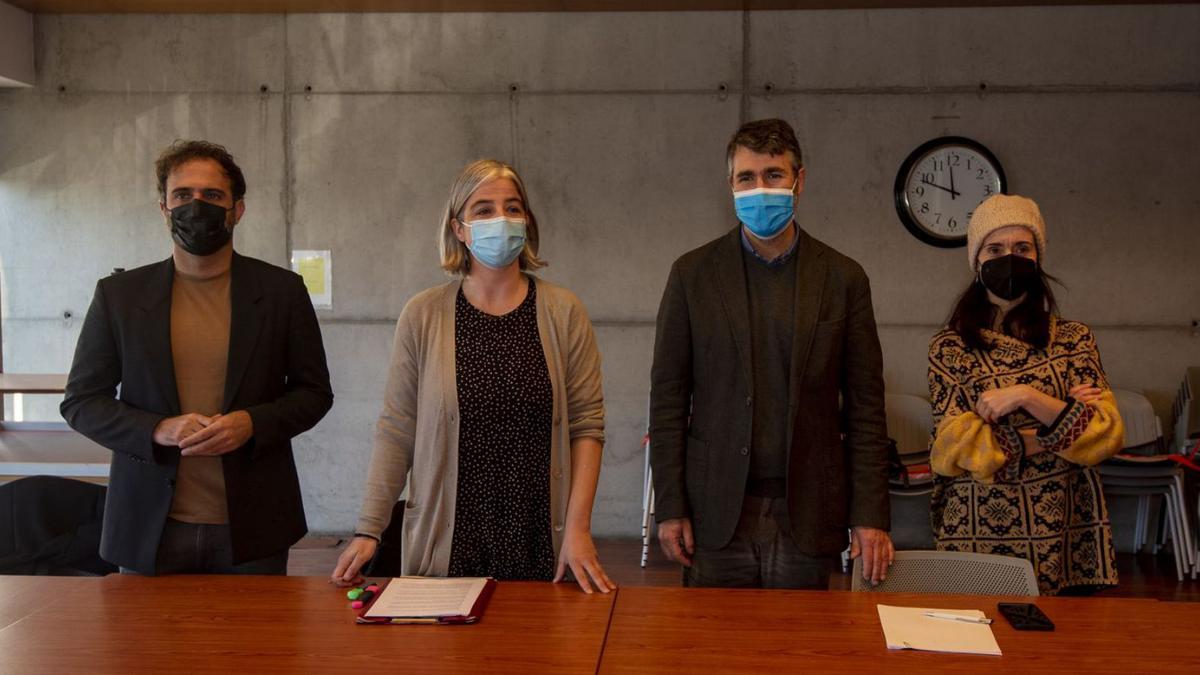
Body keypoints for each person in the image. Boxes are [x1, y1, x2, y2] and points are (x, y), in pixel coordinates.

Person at [332, 159, 615, 594]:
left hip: (542, 538)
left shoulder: (563, 311)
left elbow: (586, 427)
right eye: (483, 210)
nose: (500, 219)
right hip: (449, 542)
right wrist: (370, 528)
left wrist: (577, 530)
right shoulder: (423, 315)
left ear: (527, 221)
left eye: (512, 208)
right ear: (459, 228)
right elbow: (397, 429)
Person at [61, 140, 334, 575]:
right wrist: (157, 429)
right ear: (164, 208)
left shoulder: (282, 292)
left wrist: (252, 423)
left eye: (213, 196)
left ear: (237, 210)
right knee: (145, 646)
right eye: (183, 195)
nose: (197, 206)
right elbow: (80, 402)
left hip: (255, 526)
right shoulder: (120, 297)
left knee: (252, 645)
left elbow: (314, 393)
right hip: (147, 525)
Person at [650, 119, 893, 589]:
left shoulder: (844, 279)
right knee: (714, 655)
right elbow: (667, 401)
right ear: (730, 185)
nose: (760, 188)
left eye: (774, 175)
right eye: (747, 177)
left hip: (807, 510)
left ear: (799, 181)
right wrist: (671, 505)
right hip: (716, 510)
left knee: (801, 653)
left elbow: (866, 409)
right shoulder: (692, 275)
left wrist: (870, 514)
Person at [928, 193, 1124, 595]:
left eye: (1022, 247)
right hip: (977, 526)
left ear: (1038, 256)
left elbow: (1105, 435)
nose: (1009, 257)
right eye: (995, 249)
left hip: (1066, 526)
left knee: (1061, 652)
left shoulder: (1074, 339)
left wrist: (1027, 397)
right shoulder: (950, 348)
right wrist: (1063, 422)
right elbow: (954, 449)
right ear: (977, 259)